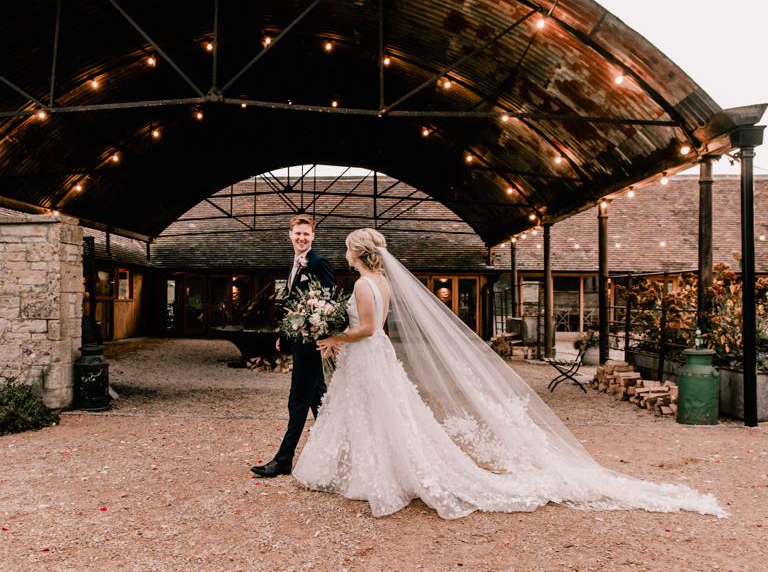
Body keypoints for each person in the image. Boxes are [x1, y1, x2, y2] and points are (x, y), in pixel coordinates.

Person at [293, 228, 726, 519]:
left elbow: (367, 329)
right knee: (381, 413)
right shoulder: (381, 282)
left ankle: (381, 477)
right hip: (374, 359)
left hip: (368, 355)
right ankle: (372, 471)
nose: (345, 253)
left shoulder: (364, 285)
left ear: (357, 252)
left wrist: (335, 339)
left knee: (378, 412)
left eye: (348, 247)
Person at [251, 214, 335, 478]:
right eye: (297, 234)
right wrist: (284, 334)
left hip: (311, 345)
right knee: (318, 400)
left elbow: (327, 302)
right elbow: (292, 304)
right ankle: (339, 450)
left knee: (297, 402)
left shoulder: (319, 262)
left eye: (306, 234)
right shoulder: (294, 264)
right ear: (290, 235)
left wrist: (320, 336)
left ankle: (284, 459)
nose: (301, 238)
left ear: (313, 236)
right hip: (298, 341)